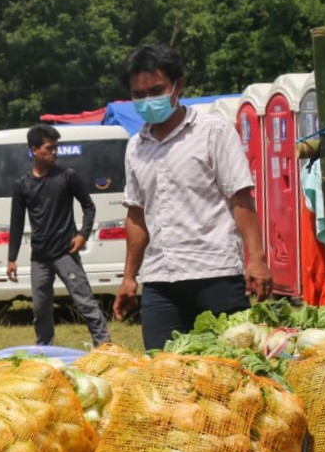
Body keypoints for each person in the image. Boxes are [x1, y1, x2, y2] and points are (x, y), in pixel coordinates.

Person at [112, 44, 272, 350]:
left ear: (178, 85)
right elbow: (136, 215)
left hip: (215, 274)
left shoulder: (213, 132)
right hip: (160, 279)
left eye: (156, 90)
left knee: (229, 372)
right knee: (163, 373)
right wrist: (129, 278)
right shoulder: (136, 147)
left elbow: (240, 199)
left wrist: (258, 261)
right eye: (139, 95)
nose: (148, 100)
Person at [6, 124, 111, 347]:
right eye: (49, 148)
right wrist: (11, 258)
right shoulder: (22, 185)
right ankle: (45, 351)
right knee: (41, 308)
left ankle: (105, 346)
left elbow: (89, 207)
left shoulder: (67, 177)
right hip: (39, 258)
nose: (54, 152)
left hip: (66, 253)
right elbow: (16, 223)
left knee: (85, 302)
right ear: (34, 150)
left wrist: (83, 235)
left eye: (56, 148)